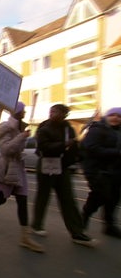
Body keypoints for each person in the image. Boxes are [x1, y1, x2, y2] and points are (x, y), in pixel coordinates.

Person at [0, 102, 44, 253]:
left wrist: (22, 136)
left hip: (18, 168)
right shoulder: (6, 127)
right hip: (6, 168)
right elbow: (5, 149)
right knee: (1, 198)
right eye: (23, 110)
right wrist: (22, 137)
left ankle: (25, 237)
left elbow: (17, 148)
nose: (25, 112)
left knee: (22, 200)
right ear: (17, 112)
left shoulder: (21, 126)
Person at [31, 104, 95, 246]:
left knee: (68, 200)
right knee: (43, 197)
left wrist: (74, 156)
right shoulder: (44, 128)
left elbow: (74, 148)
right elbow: (44, 147)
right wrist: (64, 144)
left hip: (62, 168)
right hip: (46, 167)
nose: (52, 114)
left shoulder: (68, 128)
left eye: (56, 112)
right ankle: (36, 225)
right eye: (51, 111)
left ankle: (77, 233)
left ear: (64, 115)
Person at [81, 107, 121, 238]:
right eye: (112, 115)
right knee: (100, 195)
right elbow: (91, 148)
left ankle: (109, 226)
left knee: (114, 198)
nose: (115, 118)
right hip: (97, 170)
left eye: (119, 116)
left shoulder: (119, 131)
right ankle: (82, 221)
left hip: (115, 171)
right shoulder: (97, 129)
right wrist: (116, 153)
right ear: (107, 116)